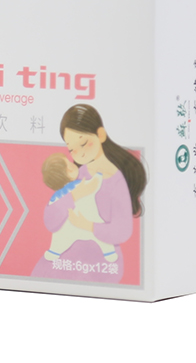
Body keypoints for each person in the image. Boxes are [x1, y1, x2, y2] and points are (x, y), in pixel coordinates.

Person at [31, 104, 146, 283]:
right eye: (72, 149)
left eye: (83, 143)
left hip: (99, 263)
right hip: (66, 257)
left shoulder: (116, 182)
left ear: (100, 135)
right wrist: (74, 196)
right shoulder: (78, 175)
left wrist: (88, 226)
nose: (79, 153)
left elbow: (122, 232)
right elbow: (50, 221)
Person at [41, 153, 118, 263]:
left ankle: (54, 251)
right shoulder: (81, 185)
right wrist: (99, 173)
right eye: (68, 165)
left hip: (67, 229)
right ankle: (109, 252)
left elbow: (53, 214)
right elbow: (94, 184)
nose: (72, 166)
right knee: (102, 236)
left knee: (59, 238)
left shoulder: (56, 196)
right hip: (90, 223)